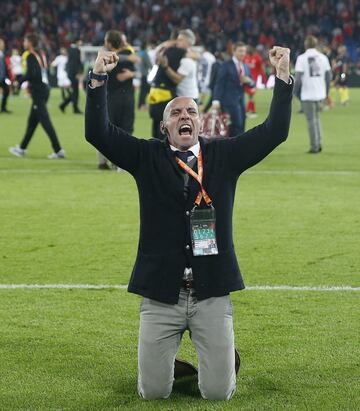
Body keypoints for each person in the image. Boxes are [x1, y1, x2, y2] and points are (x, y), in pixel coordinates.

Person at [85, 45, 292, 400]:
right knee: (152, 392)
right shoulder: (146, 156)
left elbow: (274, 131)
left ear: (200, 122)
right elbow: (98, 133)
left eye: (191, 111)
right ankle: (181, 363)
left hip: (211, 290)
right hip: (161, 294)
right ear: (164, 125)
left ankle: (222, 360)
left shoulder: (224, 156)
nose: (185, 116)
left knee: (217, 393)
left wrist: (283, 77)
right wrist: (98, 78)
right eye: (176, 112)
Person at [9, 33, 65, 159]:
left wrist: (20, 81)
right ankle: (22, 148)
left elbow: (32, 74)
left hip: (38, 91)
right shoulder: (40, 53)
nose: (23, 43)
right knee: (32, 121)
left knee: (45, 121)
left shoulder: (30, 56)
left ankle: (58, 150)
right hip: (44, 89)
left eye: (25, 41)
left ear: (30, 43)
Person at [97, 30, 137, 170]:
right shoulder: (128, 55)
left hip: (110, 97)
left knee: (108, 129)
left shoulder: (104, 56)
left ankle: (106, 161)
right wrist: (133, 73)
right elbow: (137, 67)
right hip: (127, 97)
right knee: (126, 129)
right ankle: (121, 162)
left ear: (108, 42)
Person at [294, 35, 331, 154]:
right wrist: (326, 92)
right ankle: (318, 142)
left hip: (308, 93)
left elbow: (298, 78)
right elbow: (328, 76)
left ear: (305, 45)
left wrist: (294, 92)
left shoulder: (301, 58)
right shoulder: (323, 57)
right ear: (316, 44)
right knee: (317, 119)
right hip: (320, 93)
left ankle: (314, 146)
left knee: (311, 120)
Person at [212, 42, 254, 136]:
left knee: (242, 124)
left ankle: (238, 146)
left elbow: (252, 84)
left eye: (244, 51)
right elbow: (219, 83)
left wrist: (249, 81)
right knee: (236, 125)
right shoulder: (226, 65)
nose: (243, 53)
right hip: (228, 101)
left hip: (241, 101)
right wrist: (216, 100)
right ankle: (232, 146)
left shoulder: (245, 66)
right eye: (240, 51)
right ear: (234, 52)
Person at [64, 39, 83, 114]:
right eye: (80, 41)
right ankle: (75, 109)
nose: (81, 43)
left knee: (74, 92)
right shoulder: (76, 50)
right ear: (77, 41)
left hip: (70, 72)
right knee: (76, 92)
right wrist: (78, 73)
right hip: (74, 73)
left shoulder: (70, 49)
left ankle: (63, 105)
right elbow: (77, 62)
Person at [0, 38, 12, 113]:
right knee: (6, 90)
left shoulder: (2, 54)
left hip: (2, 78)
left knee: (7, 90)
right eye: (1, 44)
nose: (3, 45)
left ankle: (3, 108)